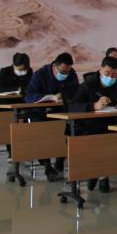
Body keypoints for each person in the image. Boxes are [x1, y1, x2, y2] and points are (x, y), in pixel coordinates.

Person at [69, 56, 117, 192]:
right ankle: (99, 175)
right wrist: (94, 106)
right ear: (100, 70)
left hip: (110, 122)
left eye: (114, 74)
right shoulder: (88, 85)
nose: (110, 77)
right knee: (100, 138)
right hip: (89, 125)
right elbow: (73, 106)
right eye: (107, 73)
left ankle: (101, 174)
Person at [25, 52, 80, 181]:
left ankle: (60, 161)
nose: (65, 74)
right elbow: (29, 96)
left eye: (67, 71)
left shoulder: (71, 74)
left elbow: (76, 91)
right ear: (54, 66)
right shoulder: (40, 74)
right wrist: (48, 98)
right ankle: (47, 166)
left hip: (62, 111)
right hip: (41, 112)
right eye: (62, 71)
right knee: (42, 133)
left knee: (70, 129)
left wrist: (65, 95)